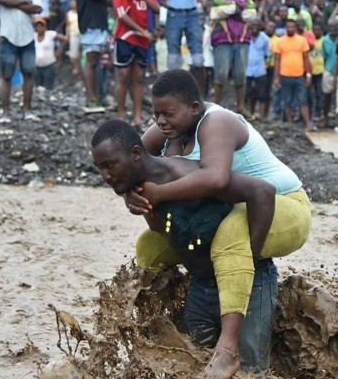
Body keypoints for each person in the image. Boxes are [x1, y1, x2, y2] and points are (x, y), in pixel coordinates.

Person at [123, 69, 312, 378]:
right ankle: (153, 320)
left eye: (168, 114)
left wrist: (157, 193)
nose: (160, 121)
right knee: (151, 244)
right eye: (155, 114)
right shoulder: (168, 126)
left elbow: (215, 177)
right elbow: (129, 159)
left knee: (231, 232)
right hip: (235, 207)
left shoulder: (217, 122)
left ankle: (227, 349)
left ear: (194, 108)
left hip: (283, 205)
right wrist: (132, 195)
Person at [0, 0, 42, 123]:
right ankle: (5, 112)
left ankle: (27, 110)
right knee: (6, 75)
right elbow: (1, 0)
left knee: (28, 74)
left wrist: (13, 3)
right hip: (8, 35)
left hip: (27, 36)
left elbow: (38, 8)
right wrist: (24, 3)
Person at [113, 0, 159, 130]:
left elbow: (156, 8)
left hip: (142, 40)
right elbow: (122, 15)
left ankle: (137, 117)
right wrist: (143, 31)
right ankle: (121, 116)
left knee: (139, 77)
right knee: (123, 76)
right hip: (125, 37)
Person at [209, 0, 257, 119]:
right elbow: (215, 11)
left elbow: (252, 12)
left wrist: (228, 10)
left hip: (242, 36)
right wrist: (238, 9)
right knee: (221, 73)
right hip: (222, 36)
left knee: (241, 73)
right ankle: (216, 107)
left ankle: (241, 106)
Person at [159, 0, 206, 92]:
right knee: (173, 59)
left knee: (198, 58)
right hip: (173, 13)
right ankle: (175, 95)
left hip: (193, 14)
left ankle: (200, 98)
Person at [76, 0, 111, 113]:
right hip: (90, 24)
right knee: (91, 62)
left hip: (100, 24)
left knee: (97, 63)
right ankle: (91, 98)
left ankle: (97, 96)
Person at [273, 19, 314, 131]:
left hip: (299, 75)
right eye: (288, 27)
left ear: (295, 28)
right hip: (285, 75)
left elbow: (306, 58)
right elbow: (277, 60)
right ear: (285, 28)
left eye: (292, 27)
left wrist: (308, 74)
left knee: (303, 100)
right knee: (287, 101)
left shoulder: (302, 40)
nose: (290, 29)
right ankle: (291, 124)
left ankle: (308, 124)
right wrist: (276, 78)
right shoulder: (280, 41)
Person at [33, 17, 67, 91]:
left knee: (48, 86)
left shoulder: (50, 34)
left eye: (41, 26)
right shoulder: (34, 36)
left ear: (45, 27)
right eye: (37, 26)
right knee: (37, 86)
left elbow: (65, 39)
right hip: (37, 66)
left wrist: (59, 51)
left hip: (48, 66)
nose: (39, 28)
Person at [320, 19, 338, 128]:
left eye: (335, 26)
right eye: (331, 26)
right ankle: (326, 118)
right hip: (329, 69)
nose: (333, 28)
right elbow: (325, 56)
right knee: (327, 95)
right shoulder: (325, 40)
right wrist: (327, 69)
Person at [245, 19, 270, 119]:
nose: (255, 27)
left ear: (260, 26)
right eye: (253, 25)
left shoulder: (265, 38)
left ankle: (261, 116)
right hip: (247, 69)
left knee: (262, 94)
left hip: (260, 69)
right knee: (247, 93)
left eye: (257, 25)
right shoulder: (246, 35)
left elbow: (267, 54)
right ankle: (248, 114)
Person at [309, 22, 324, 122]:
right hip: (310, 71)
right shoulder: (310, 41)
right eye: (315, 30)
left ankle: (319, 111)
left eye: (318, 30)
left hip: (321, 71)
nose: (316, 32)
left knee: (319, 92)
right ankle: (311, 112)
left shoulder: (324, 41)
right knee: (310, 93)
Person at [65, 0, 81, 76]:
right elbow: (68, 25)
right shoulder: (69, 14)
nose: (72, 3)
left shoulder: (81, 12)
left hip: (81, 34)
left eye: (74, 1)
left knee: (81, 51)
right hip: (73, 34)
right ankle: (76, 67)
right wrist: (67, 35)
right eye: (71, 2)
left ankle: (81, 66)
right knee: (74, 52)